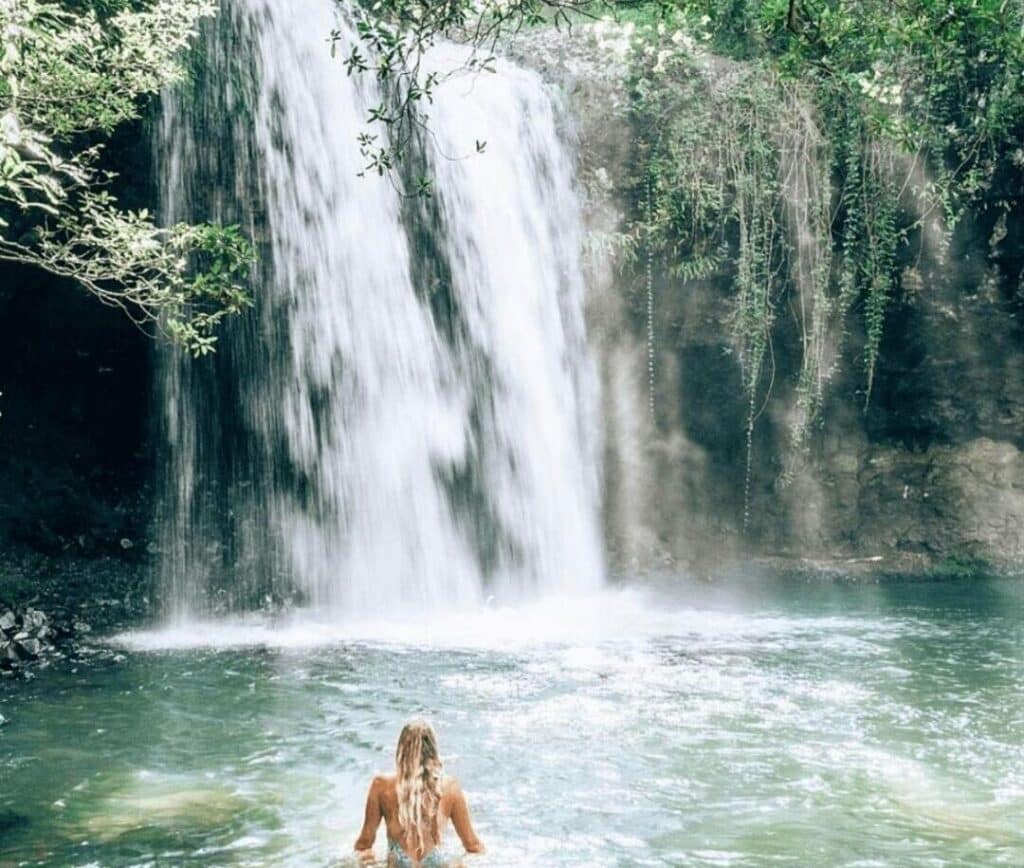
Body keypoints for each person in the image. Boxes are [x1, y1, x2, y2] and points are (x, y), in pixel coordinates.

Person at [354, 720, 485, 866]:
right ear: (433, 750)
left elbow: (365, 843)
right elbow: (472, 846)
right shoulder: (450, 786)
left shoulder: (381, 785)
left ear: (401, 750)